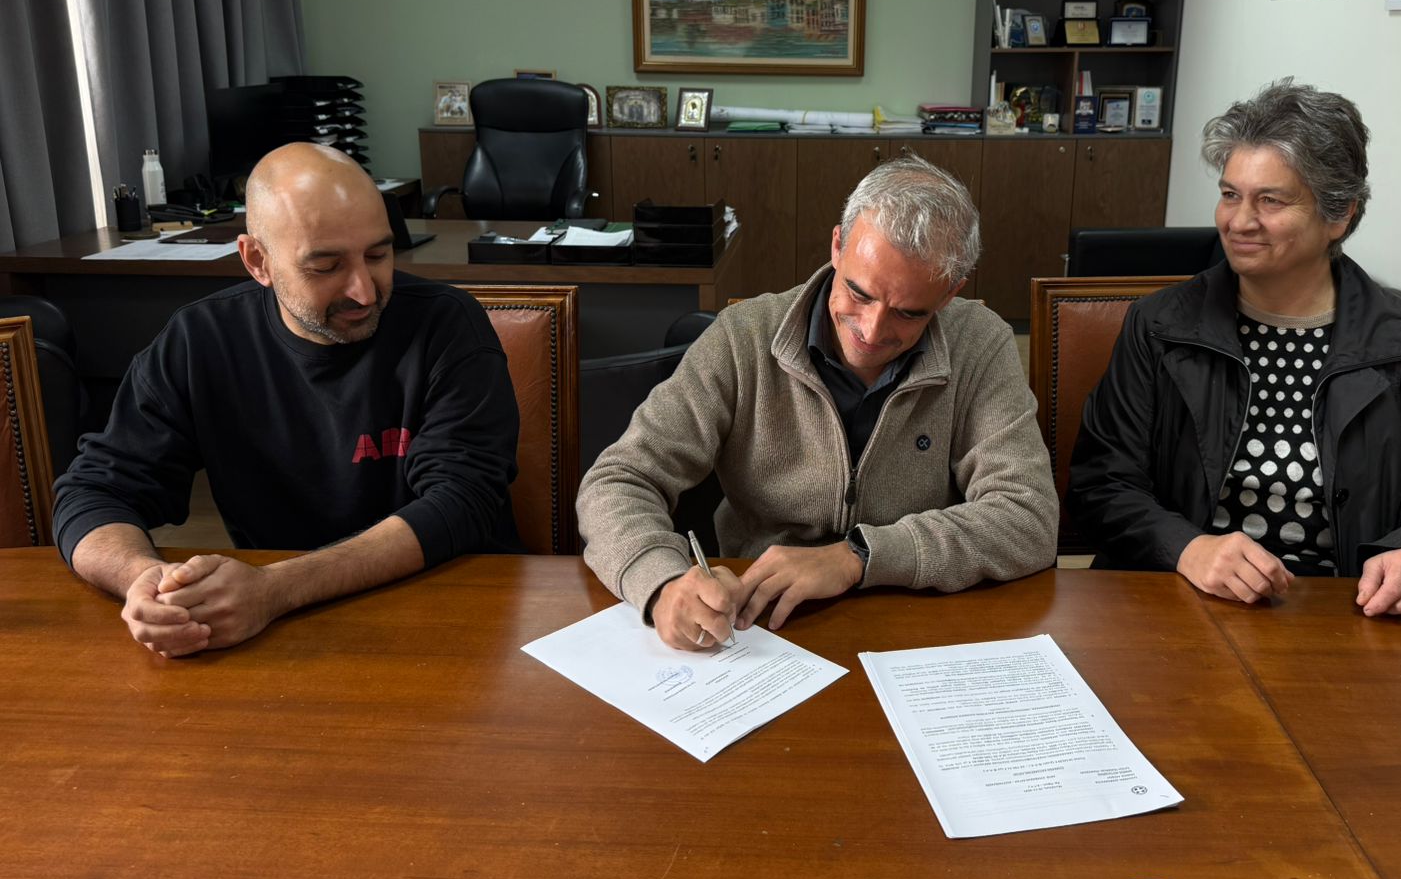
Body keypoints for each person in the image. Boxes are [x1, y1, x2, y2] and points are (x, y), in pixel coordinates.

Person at [54, 143, 521, 657]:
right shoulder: (199, 341)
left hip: (447, 608)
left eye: (378, 255)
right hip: (284, 635)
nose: (365, 291)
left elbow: (463, 501)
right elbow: (95, 490)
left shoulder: (446, 325)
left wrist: (276, 589)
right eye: (326, 266)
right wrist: (145, 581)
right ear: (257, 260)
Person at [578, 155, 1058, 650]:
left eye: (909, 313)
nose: (872, 331)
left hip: (915, 621)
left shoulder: (980, 343)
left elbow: (1029, 518)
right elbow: (619, 479)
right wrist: (660, 583)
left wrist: (859, 556)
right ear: (837, 246)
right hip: (755, 626)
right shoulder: (742, 339)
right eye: (859, 293)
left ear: (950, 293)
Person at [1069, 79, 1401, 623]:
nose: (1238, 222)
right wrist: (1186, 547)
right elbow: (1100, 484)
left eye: (1270, 200)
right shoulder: (1160, 325)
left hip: (1347, 613)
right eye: (1230, 194)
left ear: (1339, 215)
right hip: (1181, 600)